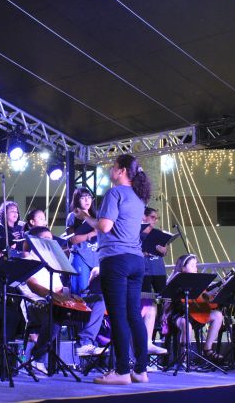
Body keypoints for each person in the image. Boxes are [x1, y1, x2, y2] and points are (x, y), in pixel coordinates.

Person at [76, 154, 151, 385]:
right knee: (134, 315)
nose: (111, 169)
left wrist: (87, 218)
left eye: (113, 166)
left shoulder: (115, 193)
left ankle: (121, 372)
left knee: (118, 315)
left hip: (116, 259)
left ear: (122, 171)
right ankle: (140, 370)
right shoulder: (139, 197)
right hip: (136, 260)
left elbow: (105, 226)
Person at [19, 226, 106, 374]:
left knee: (98, 300)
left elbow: (60, 289)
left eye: (51, 239)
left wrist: (70, 298)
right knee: (55, 311)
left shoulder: (53, 261)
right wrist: (56, 297)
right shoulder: (28, 261)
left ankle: (85, 341)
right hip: (37, 303)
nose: (50, 242)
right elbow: (34, 286)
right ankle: (38, 357)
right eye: (45, 239)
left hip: (58, 301)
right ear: (34, 241)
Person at [162, 254, 224, 364]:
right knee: (186, 324)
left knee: (218, 315)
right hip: (177, 315)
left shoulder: (198, 282)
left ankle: (207, 349)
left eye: (196, 265)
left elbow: (204, 297)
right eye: (192, 265)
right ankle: (183, 357)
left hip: (195, 314)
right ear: (183, 267)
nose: (195, 268)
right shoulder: (175, 281)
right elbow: (168, 301)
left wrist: (218, 289)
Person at [140, 207, 169, 356]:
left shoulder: (158, 233)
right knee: (146, 298)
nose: (155, 220)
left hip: (158, 269)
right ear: (143, 217)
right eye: (152, 217)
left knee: (162, 297)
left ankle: (162, 326)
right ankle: (147, 334)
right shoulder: (137, 232)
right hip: (144, 269)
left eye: (156, 218)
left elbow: (164, 251)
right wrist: (143, 252)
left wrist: (162, 249)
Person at [66, 188, 98, 295]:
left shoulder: (96, 216)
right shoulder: (72, 216)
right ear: (77, 200)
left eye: (88, 197)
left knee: (97, 294)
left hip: (96, 257)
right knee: (81, 292)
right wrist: (93, 233)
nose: (87, 200)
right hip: (80, 256)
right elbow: (73, 239)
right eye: (83, 198)